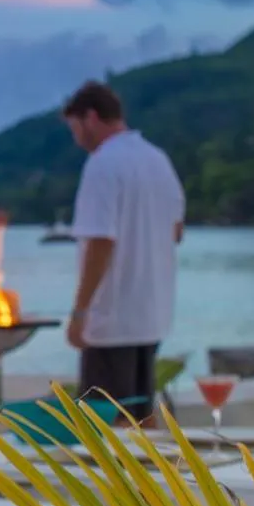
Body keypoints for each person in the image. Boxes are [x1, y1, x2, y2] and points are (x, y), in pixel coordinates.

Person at [61, 80, 185, 425]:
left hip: (112, 320)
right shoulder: (158, 160)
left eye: (75, 128)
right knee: (141, 418)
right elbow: (176, 231)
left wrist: (80, 312)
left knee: (104, 426)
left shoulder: (103, 164)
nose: (77, 139)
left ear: (90, 118)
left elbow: (101, 242)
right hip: (152, 315)